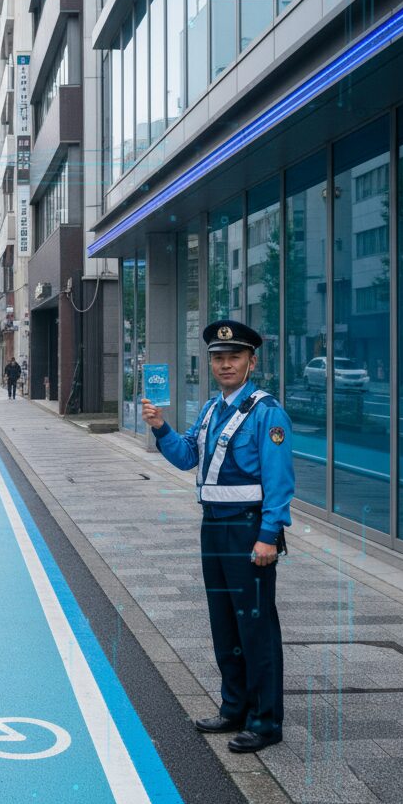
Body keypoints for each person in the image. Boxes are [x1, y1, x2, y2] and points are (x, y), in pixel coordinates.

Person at [141, 319, 293, 754]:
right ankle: (234, 708)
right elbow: (187, 456)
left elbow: (280, 481)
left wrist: (269, 534)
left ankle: (265, 721)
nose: (225, 364)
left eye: (234, 357)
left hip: (249, 530)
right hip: (214, 526)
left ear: (252, 362)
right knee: (224, 622)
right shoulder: (211, 410)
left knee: (256, 626)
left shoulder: (267, 412)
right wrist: (159, 427)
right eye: (218, 358)